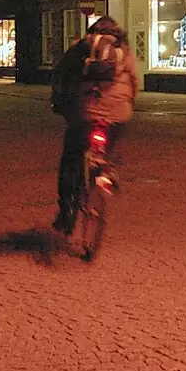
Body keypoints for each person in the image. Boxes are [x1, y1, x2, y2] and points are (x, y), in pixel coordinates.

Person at [50, 15, 138, 232]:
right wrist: (128, 101)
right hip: (118, 114)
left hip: (86, 111)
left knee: (70, 157)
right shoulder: (124, 52)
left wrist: (60, 101)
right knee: (107, 146)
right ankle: (106, 168)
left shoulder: (80, 47)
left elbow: (62, 75)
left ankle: (66, 210)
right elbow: (135, 82)